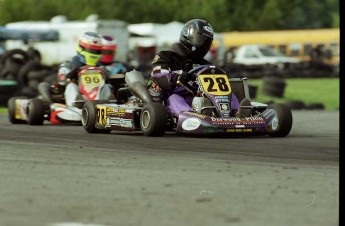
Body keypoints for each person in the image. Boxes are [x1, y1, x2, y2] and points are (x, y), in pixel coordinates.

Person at [150, 19, 251, 118]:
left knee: (229, 95)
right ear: (188, 37)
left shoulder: (205, 64)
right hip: (172, 97)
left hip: (198, 98)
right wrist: (176, 77)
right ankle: (193, 117)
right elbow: (159, 75)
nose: (203, 45)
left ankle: (237, 114)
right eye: (201, 40)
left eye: (207, 42)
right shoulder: (166, 56)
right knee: (174, 99)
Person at [38, 31, 113, 106]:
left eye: (97, 51)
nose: (94, 53)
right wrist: (71, 75)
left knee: (106, 86)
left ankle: (108, 105)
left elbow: (109, 77)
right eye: (92, 50)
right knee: (71, 86)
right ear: (81, 48)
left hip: (98, 98)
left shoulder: (100, 67)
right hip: (80, 97)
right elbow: (61, 81)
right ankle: (76, 105)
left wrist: (107, 75)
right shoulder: (70, 65)